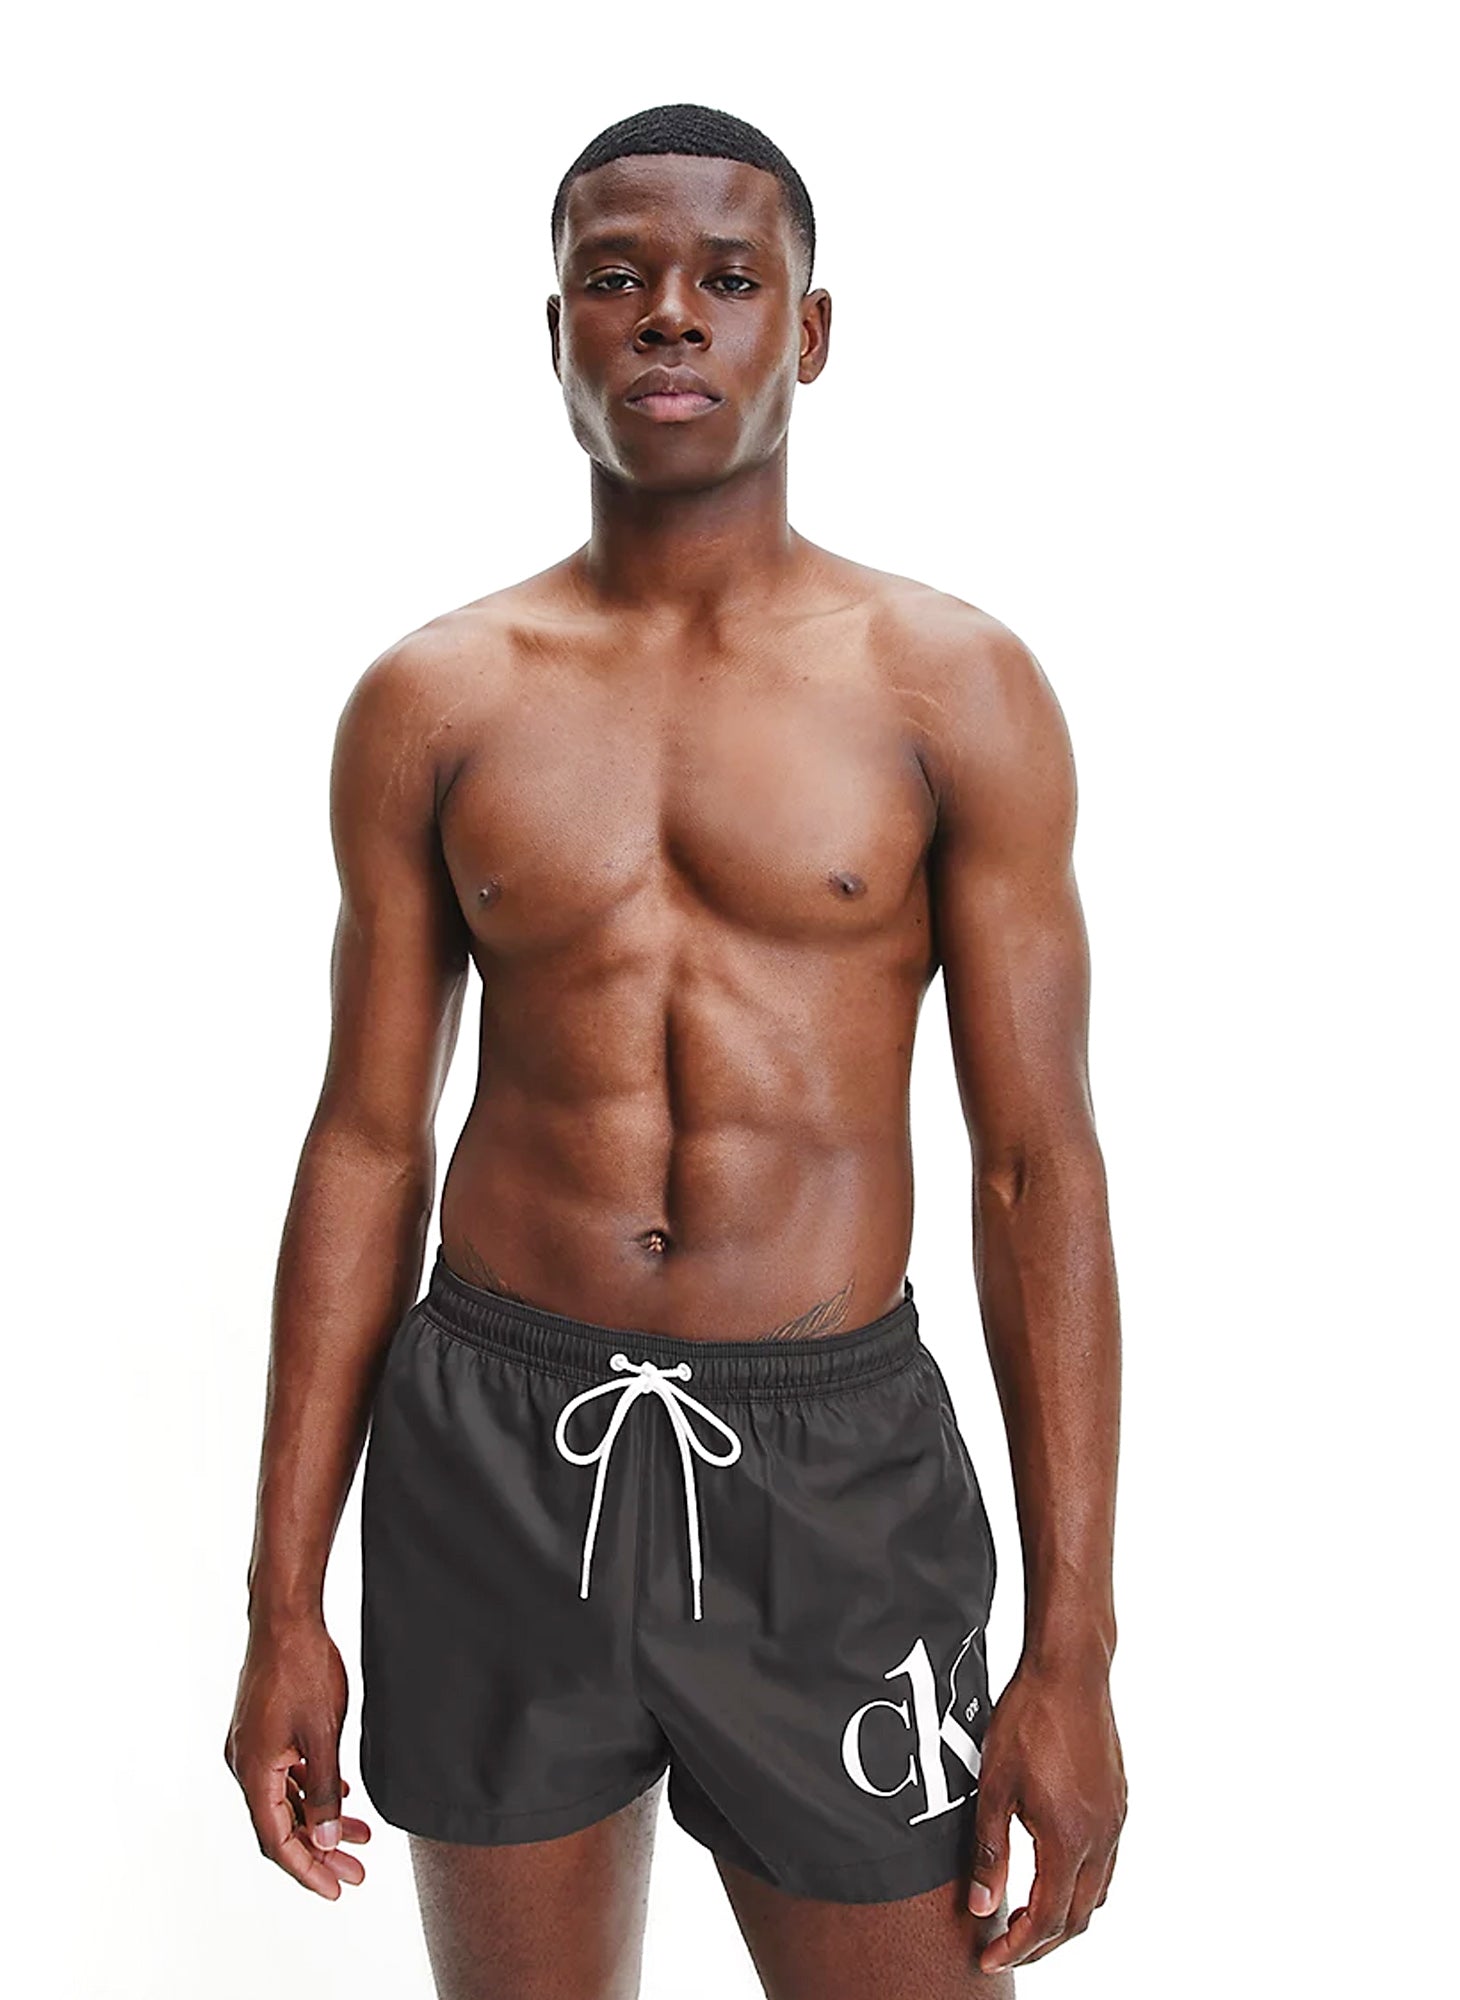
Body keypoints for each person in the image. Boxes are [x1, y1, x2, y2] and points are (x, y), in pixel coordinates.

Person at [225, 101, 1126, 1999]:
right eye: (615, 277)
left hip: (833, 1475)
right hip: (495, 1448)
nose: (668, 316)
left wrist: (1075, 1647)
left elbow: (1035, 1164)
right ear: (550, 327)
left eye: (729, 277)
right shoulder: (434, 700)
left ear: (811, 330)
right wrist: (281, 1601)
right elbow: (367, 1143)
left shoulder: (950, 688)